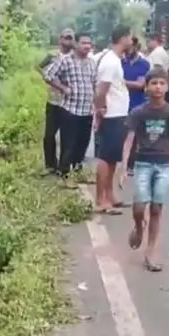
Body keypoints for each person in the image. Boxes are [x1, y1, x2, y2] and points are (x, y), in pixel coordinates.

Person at [119, 68, 169, 271]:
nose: (158, 87)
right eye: (154, 83)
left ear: (168, 86)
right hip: (143, 164)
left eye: (162, 83)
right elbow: (129, 140)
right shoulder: (139, 113)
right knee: (139, 207)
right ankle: (139, 227)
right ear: (146, 87)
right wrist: (123, 168)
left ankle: (151, 251)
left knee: (156, 208)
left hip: (164, 165)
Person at [44, 33, 95, 183]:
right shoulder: (65, 60)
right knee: (69, 144)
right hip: (71, 110)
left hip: (87, 110)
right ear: (76, 44)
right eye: (84, 43)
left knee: (82, 143)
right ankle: (64, 173)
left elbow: (95, 83)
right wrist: (62, 88)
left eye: (89, 43)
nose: (87, 46)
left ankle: (77, 171)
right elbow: (48, 75)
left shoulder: (92, 63)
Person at [93, 26, 133, 213]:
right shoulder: (110, 61)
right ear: (123, 38)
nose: (132, 40)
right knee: (105, 157)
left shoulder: (115, 59)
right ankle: (101, 200)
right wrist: (100, 110)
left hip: (118, 114)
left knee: (112, 158)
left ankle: (110, 195)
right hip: (111, 115)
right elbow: (102, 89)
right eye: (130, 37)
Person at [37, 28, 75, 175]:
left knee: (67, 136)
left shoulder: (74, 57)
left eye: (71, 38)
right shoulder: (53, 56)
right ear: (60, 39)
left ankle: (63, 167)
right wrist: (46, 76)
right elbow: (39, 67)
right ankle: (50, 164)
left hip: (69, 102)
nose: (68, 41)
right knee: (49, 135)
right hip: (53, 100)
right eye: (66, 37)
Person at [123, 37, 151, 173]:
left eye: (130, 48)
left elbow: (140, 84)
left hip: (137, 102)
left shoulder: (144, 64)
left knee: (134, 136)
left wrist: (121, 81)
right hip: (122, 103)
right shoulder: (121, 62)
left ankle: (131, 164)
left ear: (136, 47)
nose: (127, 51)